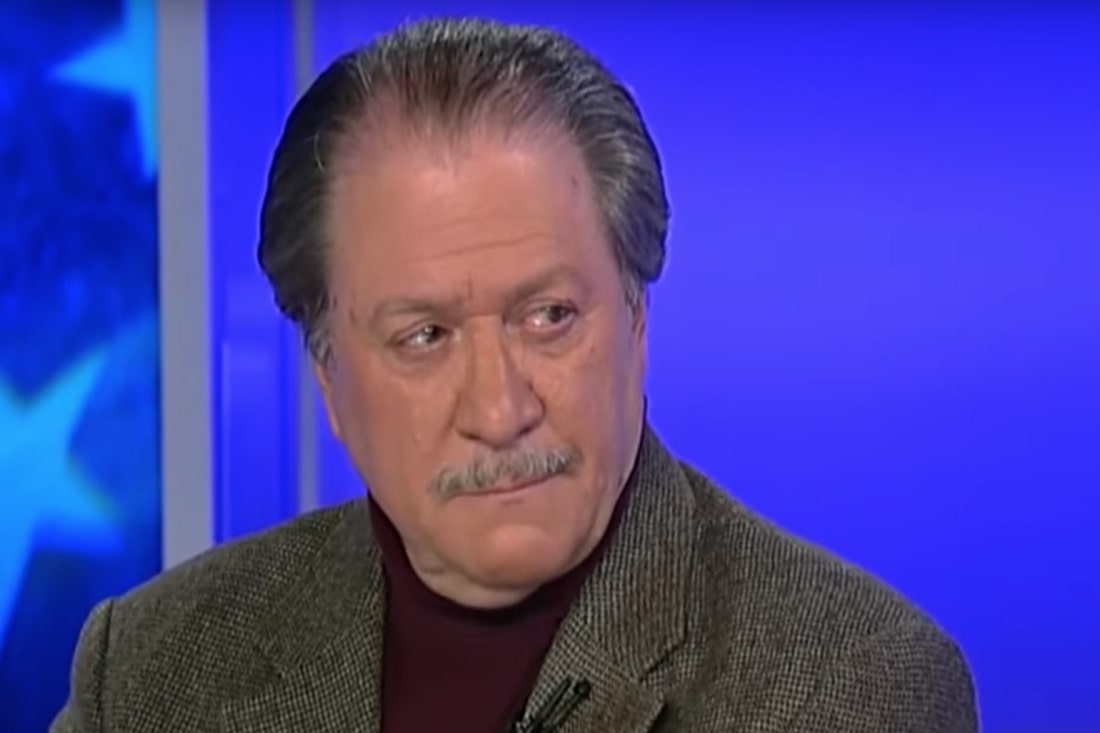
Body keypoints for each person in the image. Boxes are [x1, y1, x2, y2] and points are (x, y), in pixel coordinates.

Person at [52, 17, 978, 733]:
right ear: (329, 378)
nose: (500, 410)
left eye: (549, 317)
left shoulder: (854, 683)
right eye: (424, 335)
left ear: (638, 319)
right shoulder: (150, 670)